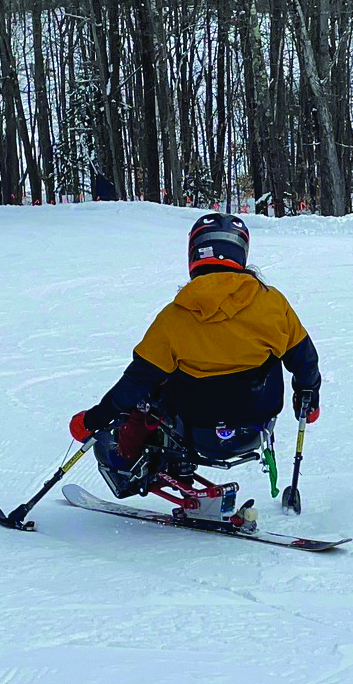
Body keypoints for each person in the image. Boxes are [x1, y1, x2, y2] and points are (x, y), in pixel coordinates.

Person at [70, 213, 320, 523]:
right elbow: (305, 361)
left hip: (194, 430)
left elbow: (135, 382)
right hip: (253, 427)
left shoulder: (175, 318)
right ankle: (172, 467)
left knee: (148, 391)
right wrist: (309, 399)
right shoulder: (273, 305)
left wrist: (93, 419)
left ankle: (126, 458)